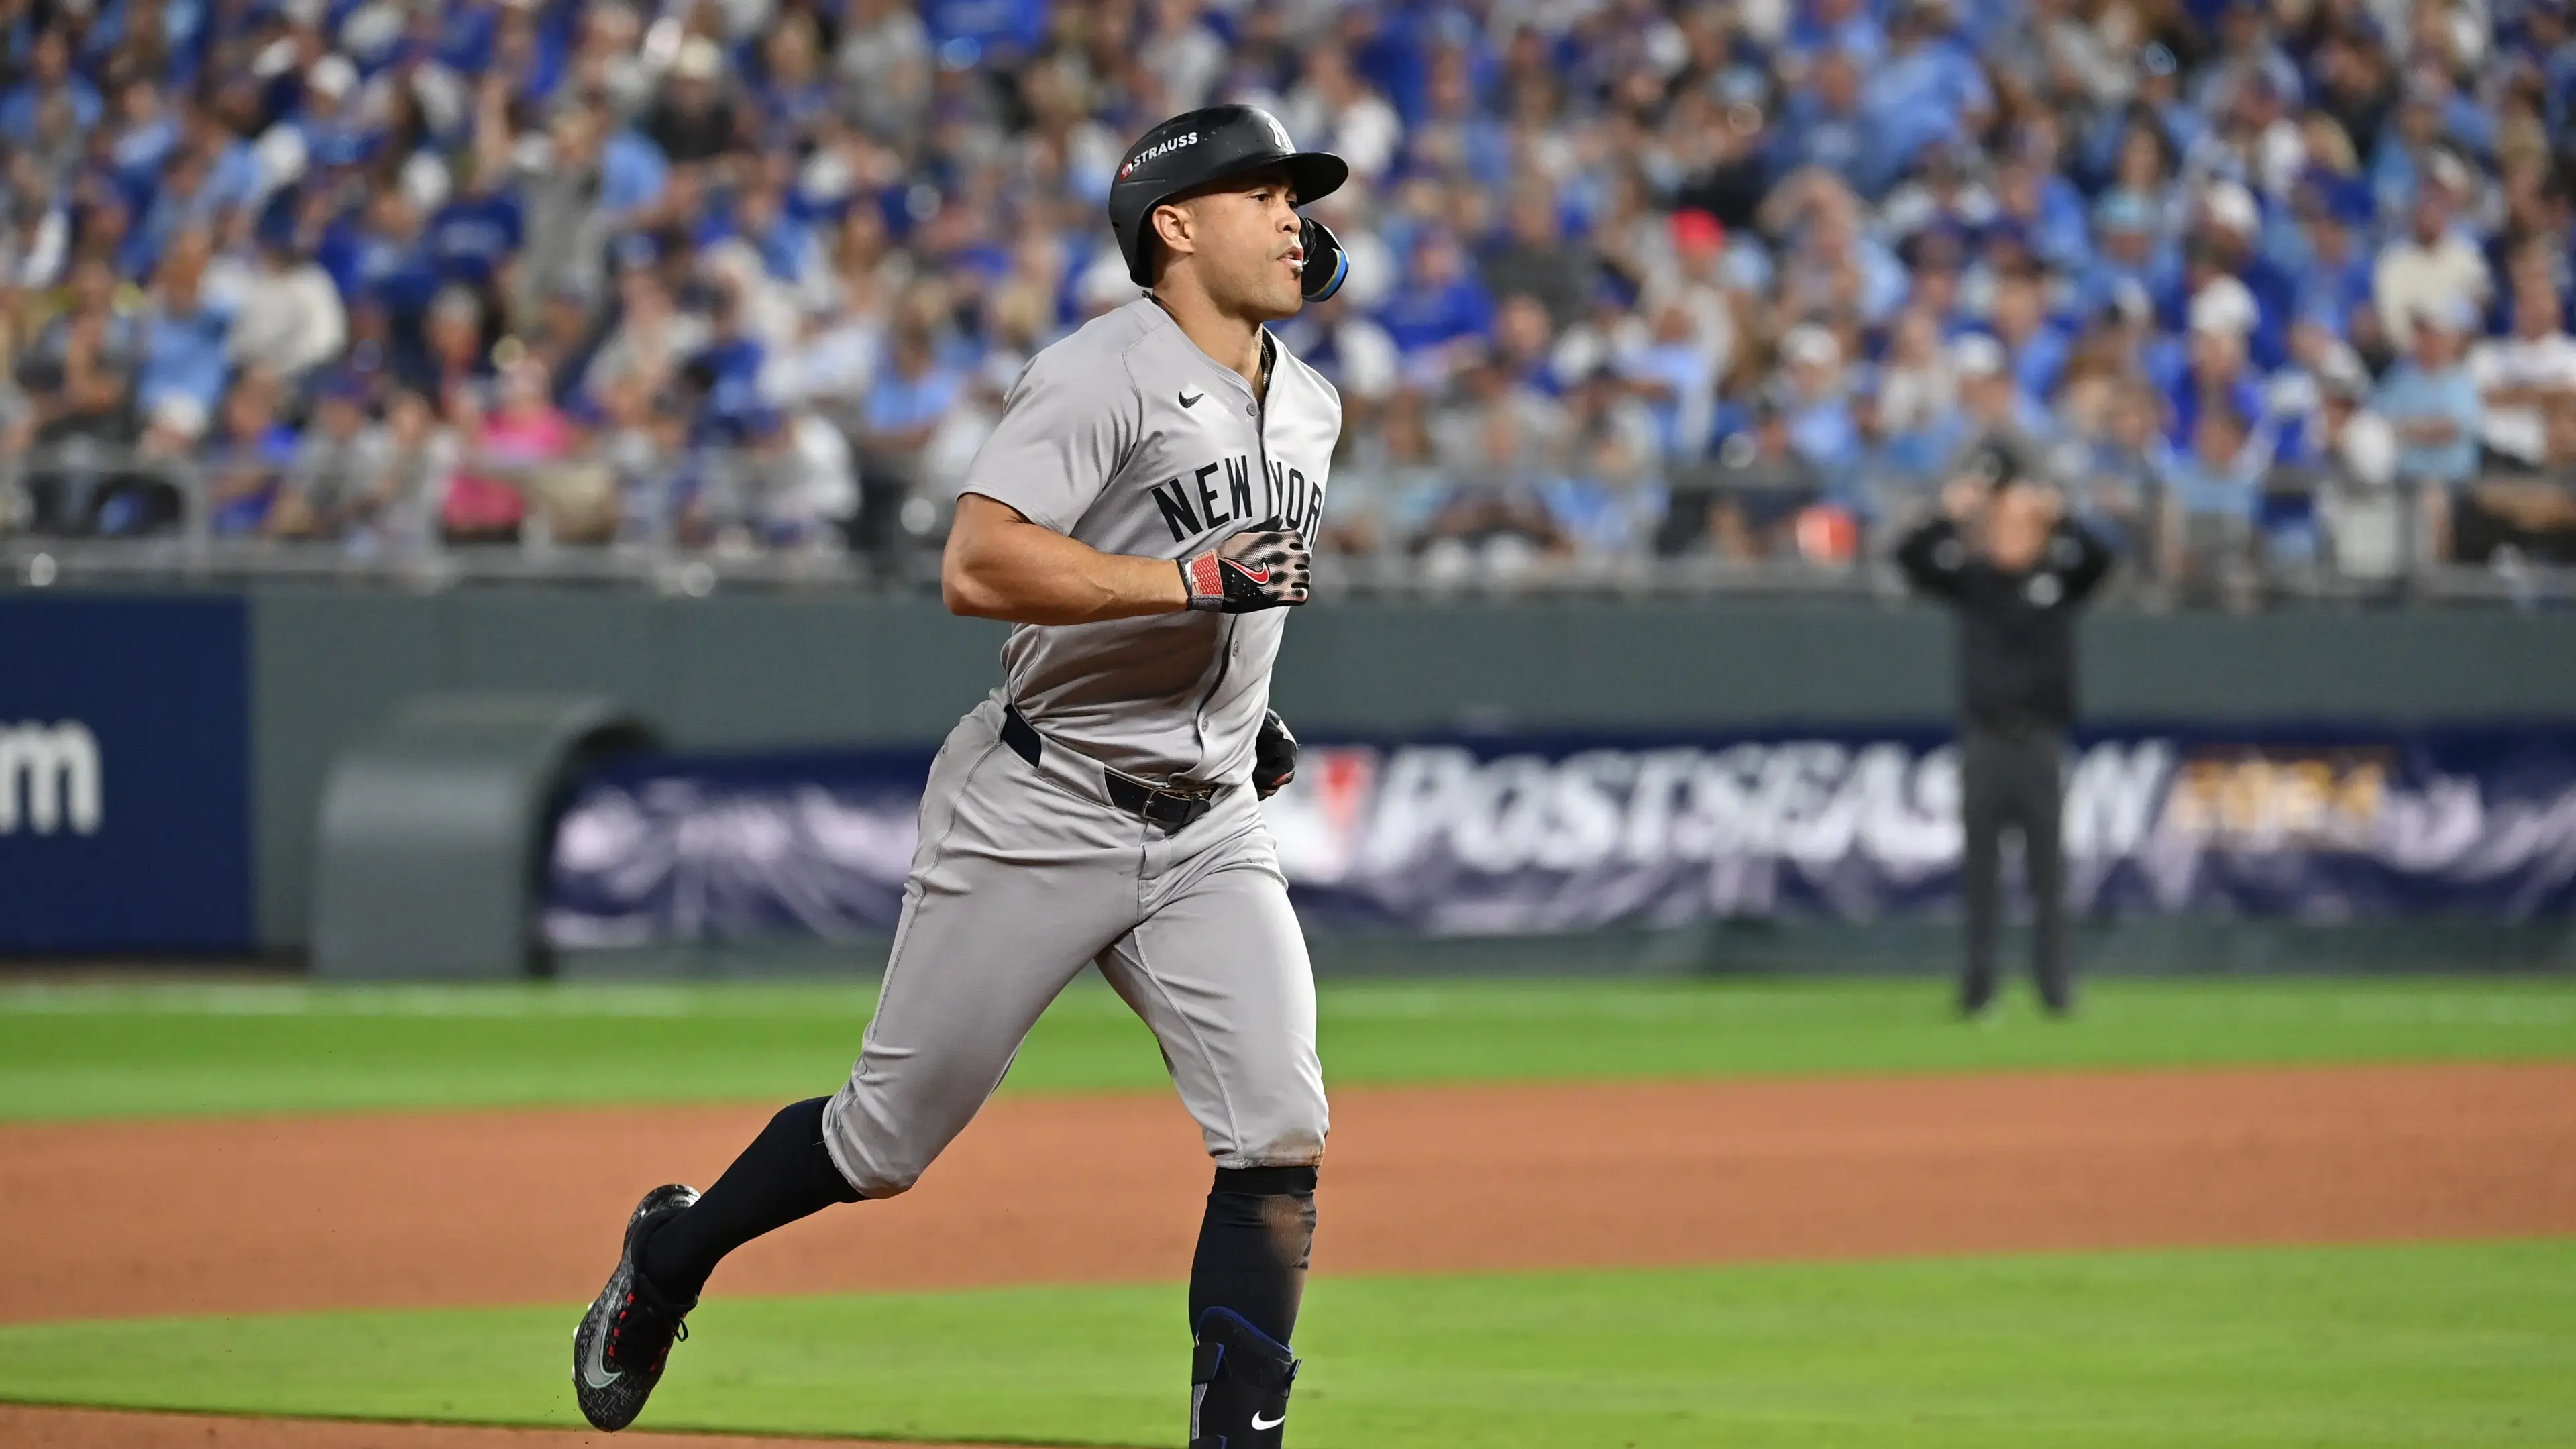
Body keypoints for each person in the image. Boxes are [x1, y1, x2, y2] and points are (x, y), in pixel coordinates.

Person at [572, 105, 1351, 1449]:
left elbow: (1243, 601)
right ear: (1174, 224)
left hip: (1211, 826)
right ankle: (673, 1258)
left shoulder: (1315, 403)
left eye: (1299, 197)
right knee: (884, 1143)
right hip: (1040, 808)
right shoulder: (1100, 373)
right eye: (1263, 192)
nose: (1294, 216)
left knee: (1280, 1130)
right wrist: (1182, 587)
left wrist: (1237, 715)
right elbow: (978, 567)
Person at [1894, 443, 2115, 1018]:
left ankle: (2055, 989)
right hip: (1987, 741)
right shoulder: (1975, 581)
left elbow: (2102, 561)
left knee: (2048, 878)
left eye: (2020, 524)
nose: (2010, 534)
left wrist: (2059, 514)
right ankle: (1979, 991)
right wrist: (1949, 513)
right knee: (1982, 880)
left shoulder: (2057, 579)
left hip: (2040, 740)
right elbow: (1910, 558)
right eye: (2002, 524)